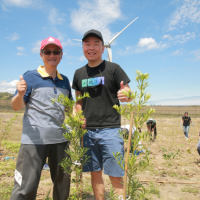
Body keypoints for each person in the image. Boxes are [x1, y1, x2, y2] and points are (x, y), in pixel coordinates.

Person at [72, 29, 133, 199]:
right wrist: (78, 115)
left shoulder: (114, 68)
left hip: (111, 130)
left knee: (115, 174)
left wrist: (126, 95)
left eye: (96, 44)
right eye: (87, 44)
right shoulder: (78, 73)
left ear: (103, 48)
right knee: (95, 173)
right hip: (88, 131)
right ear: (83, 47)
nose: (91, 47)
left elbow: (127, 90)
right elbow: (78, 101)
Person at [10, 36, 72, 200]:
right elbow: (16, 106)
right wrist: (21, 94)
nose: (52, 55)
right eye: (48, 52)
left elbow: (69, 108)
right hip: (34, 141)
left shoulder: (65, 81)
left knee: (62, 185)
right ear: (41, 54)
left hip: (61, 140)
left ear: (61, 54)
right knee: (26, 187)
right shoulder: (29, 77)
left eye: (56, 51)